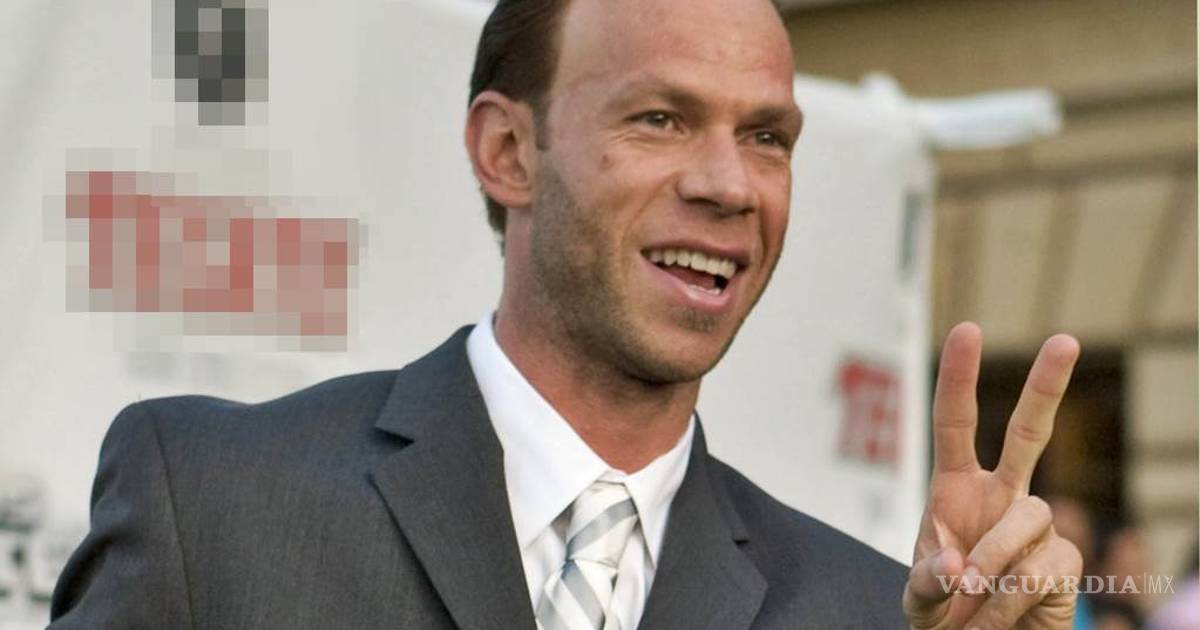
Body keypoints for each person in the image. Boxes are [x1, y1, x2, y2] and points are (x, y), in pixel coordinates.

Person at [48, 0, 1085, 627]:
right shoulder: (212, 502)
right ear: (508, 152)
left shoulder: (868, 609)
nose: (730, 184)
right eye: (661, 118)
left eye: (767, 137)